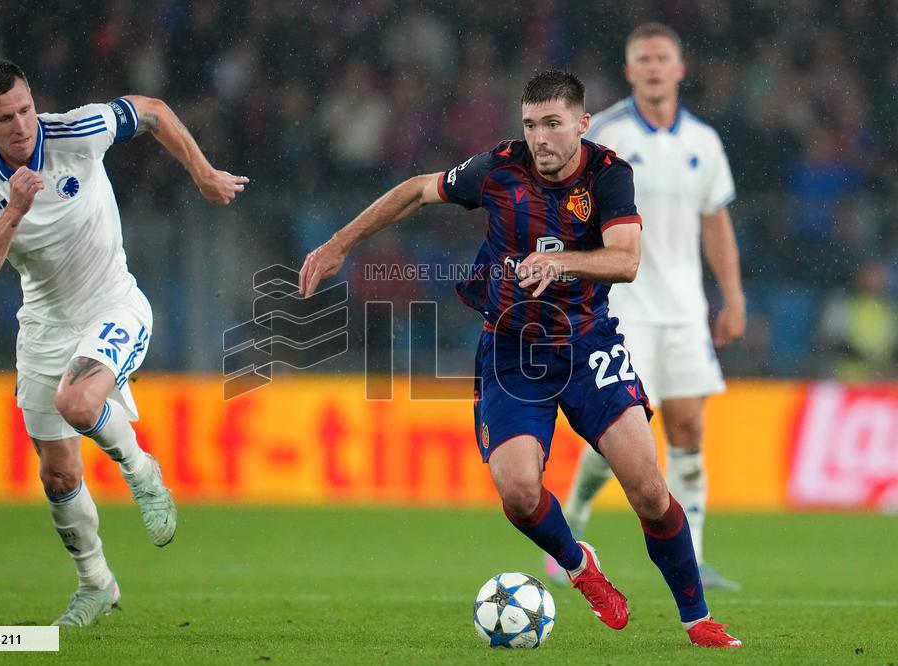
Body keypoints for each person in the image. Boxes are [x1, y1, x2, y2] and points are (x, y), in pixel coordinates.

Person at [299, 70, 740, 648]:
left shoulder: (610, 175)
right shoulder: (499, 169)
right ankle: (582, 568)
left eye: (553, 124)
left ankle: (697, 619)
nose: (541, 138)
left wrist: (561, 264)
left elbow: (626, 260)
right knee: (518, 490)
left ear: (582, 124)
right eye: (531, 125)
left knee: (650, 492)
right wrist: (338, 245)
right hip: (512, 349)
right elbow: (414, 190)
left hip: (588, 344)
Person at [0, 60, 248, 626]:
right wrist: (14, 210)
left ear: (33, 100)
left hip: (114, 304)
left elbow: (153, 111)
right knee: (58, 474)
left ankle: (141, 470)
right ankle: (97, 585)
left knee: (79, 402)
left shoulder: (76, 131)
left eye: (25, 109)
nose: (20, 126)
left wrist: (204, 172)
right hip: (43, 323)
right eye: (3, 119)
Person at [555, 23, 746, 592]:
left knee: (689, 427)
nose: (656, 67)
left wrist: (732, 296)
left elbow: (716, 222)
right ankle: (573, 521)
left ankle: (698, 556)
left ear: (680, 68)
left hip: (685, 310)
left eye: (664, 58)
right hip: (622, 309)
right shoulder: (606, 137)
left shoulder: (704, 143)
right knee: (621, 435)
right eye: (645, 59)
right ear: (630, 70)